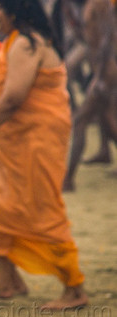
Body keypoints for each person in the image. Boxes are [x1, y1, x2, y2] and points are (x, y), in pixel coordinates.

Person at [0, 0, 88, 310]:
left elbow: (13, 99)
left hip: (37, 140)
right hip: (15, 139)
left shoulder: (27, 44)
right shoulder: (16, 41)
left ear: (15, 11)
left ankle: (75, 288)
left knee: (41, 207)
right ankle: (9, 281)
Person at [62, 0, 117, 191]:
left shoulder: (98, 3)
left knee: (80, 120)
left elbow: (108, 38)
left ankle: (68, 179)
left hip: (107, 71)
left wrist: (100, 77)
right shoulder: (86, 5)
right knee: (108, 120)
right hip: (102, 70)